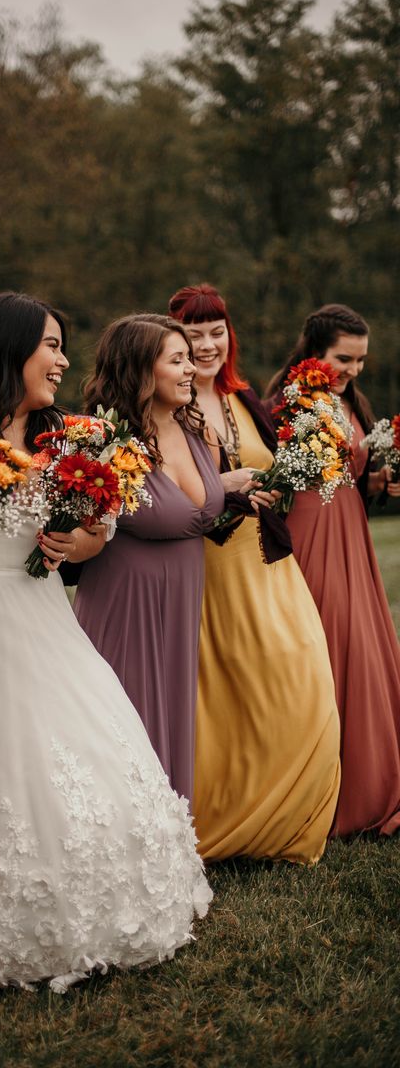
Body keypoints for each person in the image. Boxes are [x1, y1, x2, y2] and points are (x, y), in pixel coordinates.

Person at [0, 292, 212, 991]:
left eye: (62, 345)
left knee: (71, 756)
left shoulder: (70, 437)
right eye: (49, 345)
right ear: (8, 349)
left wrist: (82, 536)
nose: (61, 360)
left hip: (41, 618)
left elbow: (102, 525)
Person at [167, 283, 341, 863]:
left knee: (304, 681)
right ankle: (227, 822)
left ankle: (288, 820)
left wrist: (295, 472)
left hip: (269, 564)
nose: (208, 345)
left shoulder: (246, 399)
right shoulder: (172, 408)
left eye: (217, 332)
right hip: (212, 570)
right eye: (194, 337)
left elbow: (272, 472)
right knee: (228, 697)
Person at [72, 315, 225, 803]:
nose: (191, 369)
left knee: (173, 713)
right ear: (140, 370)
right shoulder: (103, 442)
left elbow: (204, 507)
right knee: (126, 723)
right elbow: (76, 523)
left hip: (182, 599)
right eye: (176, 360)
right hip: (126, 604)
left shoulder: (199, 433)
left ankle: (171, 847)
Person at [266, 304, 400, 837]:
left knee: (363, 647)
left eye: (362, 360)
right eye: (345, 358)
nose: (354, 370)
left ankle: (368, 777)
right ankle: (320, 791)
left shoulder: (350, 402)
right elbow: (288, 473)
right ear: (314, 350)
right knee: (323, 644)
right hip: (311, 535)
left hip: (352, 537)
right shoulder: (292, 401)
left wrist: (376, 482)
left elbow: (348, 472)